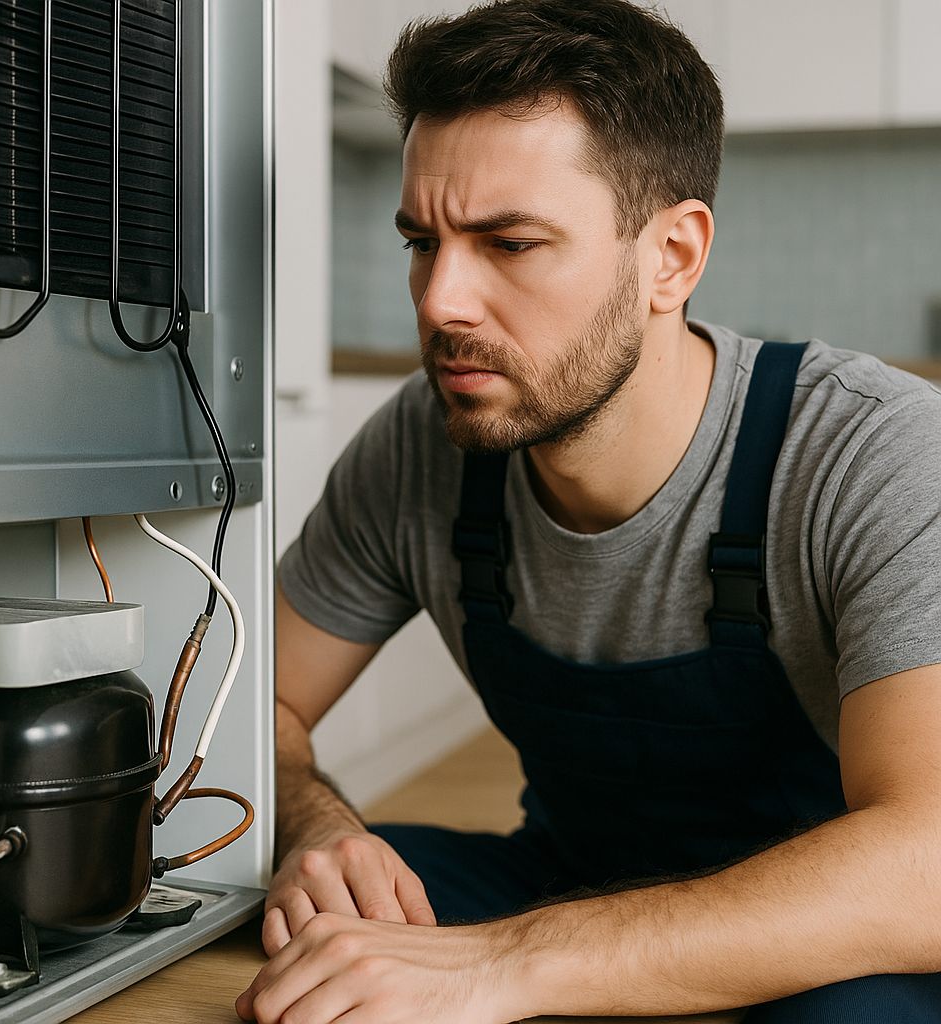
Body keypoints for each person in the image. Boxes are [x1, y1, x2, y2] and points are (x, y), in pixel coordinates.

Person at [237, 2, 941, 1021]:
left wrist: (507, 964)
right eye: (422, 242)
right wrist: (313, 828)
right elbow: (248, 714)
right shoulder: (422, 442)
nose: (439, 301)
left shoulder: (874, 452)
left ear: (671, 256)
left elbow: (925, 861)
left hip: (836, 934)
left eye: (509, 243)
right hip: (574, 878)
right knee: (292, 931)